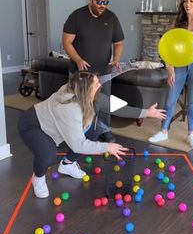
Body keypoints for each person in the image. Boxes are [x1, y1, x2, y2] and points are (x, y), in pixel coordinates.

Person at [18, 71, 166, 199]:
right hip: (34, 125)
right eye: (96, 85)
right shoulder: (69, 108)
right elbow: (78, 144)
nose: (99, 86)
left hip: (56, 123)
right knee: (48, 154)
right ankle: (38, 178)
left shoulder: (81, 92)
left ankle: (67, 164)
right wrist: (107, 146)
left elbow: (113, 105)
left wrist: (146, 112)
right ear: (86, 90)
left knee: (94, 129)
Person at [148, 0, 193, 149]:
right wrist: (170, 69)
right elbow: (168, 48)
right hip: (178, 65)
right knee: (170, 100)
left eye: (191, 1)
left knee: (192, 102)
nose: (188, 4)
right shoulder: (177, 23)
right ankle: (163, 131)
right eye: (185, 1)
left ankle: (191, 133)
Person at [62, 0, 125, 143]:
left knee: (103, 102)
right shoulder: (76, 16)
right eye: (98, 1)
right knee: (77, 101)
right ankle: (76, 130)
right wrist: (77, 59)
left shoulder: (112, 18)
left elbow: (119, 42)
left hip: (103, 71)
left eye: (105, 2)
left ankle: (104, 130)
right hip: (80, 72)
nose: (102, 5)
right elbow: (67, 42)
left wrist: (116, 58)